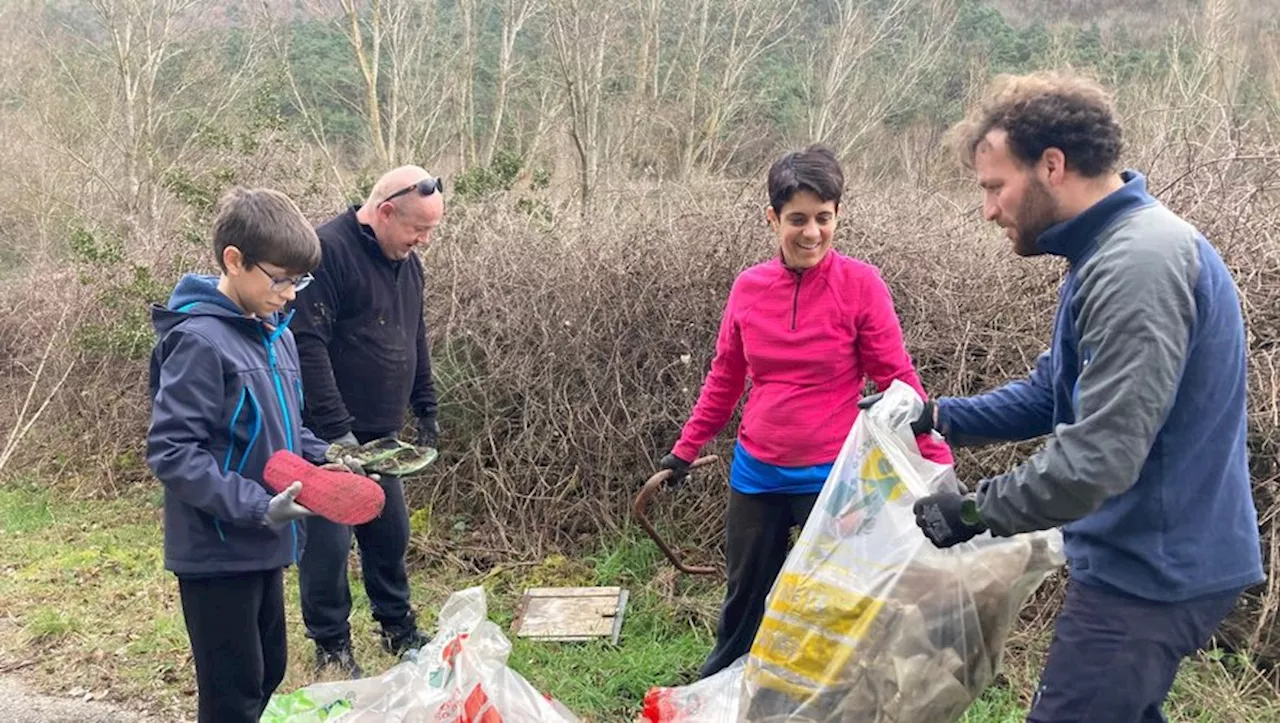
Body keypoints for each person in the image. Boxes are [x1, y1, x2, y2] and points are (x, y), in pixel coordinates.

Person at [875, 70, 1265, 722]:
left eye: (996, 186)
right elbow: (1049, 394)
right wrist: (935, 414)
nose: (989, 209)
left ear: (1052, 165)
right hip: (1148, 558)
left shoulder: (1138, 263)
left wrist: (972, 513)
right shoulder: (1109, 252)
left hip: (1151, 573)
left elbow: (1097, 460)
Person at [657, 144, 955, 679]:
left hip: (834, 480)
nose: (812, 232)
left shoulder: (861, 285)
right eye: (797, 219)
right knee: (744, 602)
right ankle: (722, 690)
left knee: (835, 605)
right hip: (757, 474)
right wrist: (685, 450)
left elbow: (898, 381)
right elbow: (725, 378)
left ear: (838, 214)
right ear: (773, 219)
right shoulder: (749, 288)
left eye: (824, 217)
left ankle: (829, 700)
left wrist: (936, 464)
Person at [146, 188, 368, 722]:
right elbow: (173, 451)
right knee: (233, 693)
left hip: (267, 542)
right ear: (234, 260)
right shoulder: (199, 341)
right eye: (282, 278)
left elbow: (284, 432)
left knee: (267, 672)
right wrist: (256, 506)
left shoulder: (275, 336)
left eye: (299, 280)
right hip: (218, 549)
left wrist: (327, 457)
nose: (291, 294)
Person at [289, 165, 444, 677]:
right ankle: (331, 643)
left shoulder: (407, 263)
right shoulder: (326, 253)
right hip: (328, 440)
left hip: (382, 437)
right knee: (328, 547)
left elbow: (413, 335)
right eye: (416, 229)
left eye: (428, 232)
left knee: (389, 535)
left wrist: (426, 403)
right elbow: (308, 347)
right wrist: (338, 435)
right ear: (384, 211)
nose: (421, 241)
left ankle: (397, 626)